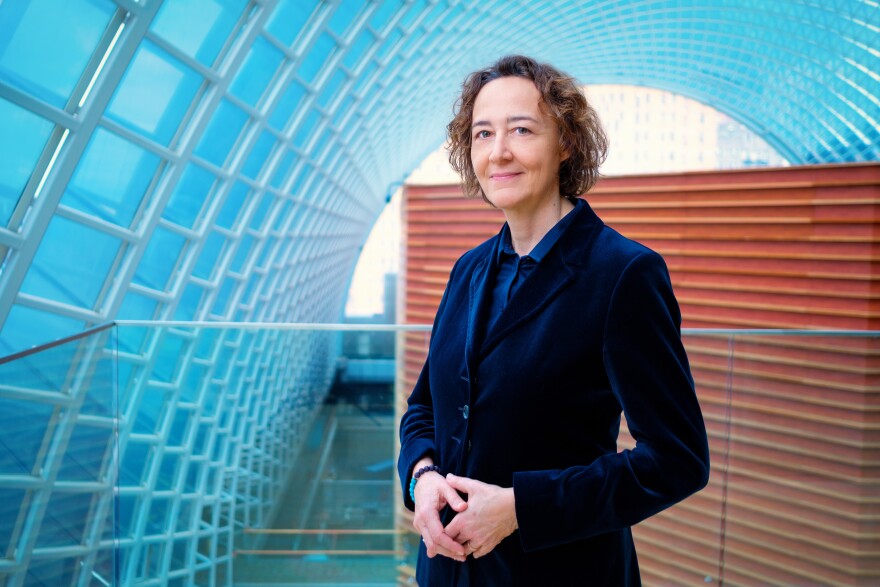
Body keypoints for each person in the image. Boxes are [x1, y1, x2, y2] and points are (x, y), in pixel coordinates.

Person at [397, 55, 710, 586]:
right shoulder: (469, 270)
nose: (499, 152)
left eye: (522, 130)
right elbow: (426, 406)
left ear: (565, 141)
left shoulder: (624, 274)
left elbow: (677, 458)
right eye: (483, 133)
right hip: (449, 572)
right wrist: (422, 478)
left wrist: (523, 507)